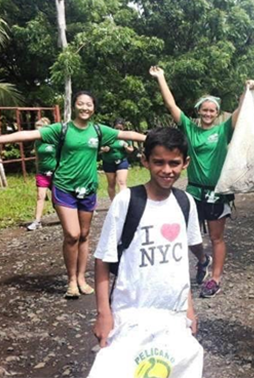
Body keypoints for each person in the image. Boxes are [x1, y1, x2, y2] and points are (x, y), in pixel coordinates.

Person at [0, 91, 145, 298]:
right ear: (75, 105)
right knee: (72, 234)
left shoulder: (99, 130)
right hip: (64, 187)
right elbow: (28, 135)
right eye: (81, 104)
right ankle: (71, 280)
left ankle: (81, 278)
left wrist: (158, 140)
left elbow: (128, 135)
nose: (85, 108)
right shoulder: (62, 129)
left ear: (94, 107)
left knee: (84, 235)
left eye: (89, 105)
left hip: (89, 188)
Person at [89, 127, 203, 377]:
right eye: (158, 162)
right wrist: (103, 314)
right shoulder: (127, 201)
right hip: (130, 313)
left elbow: (181, 261)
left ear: (185, 163)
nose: (166, 170)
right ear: (144, 161)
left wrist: (189, 309)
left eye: (174, 163)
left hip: (173, 314)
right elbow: (103, 260)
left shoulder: (185, 203)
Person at [149, 65, 254, 298]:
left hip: (217, 192)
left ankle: (215, 278)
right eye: (204, 110)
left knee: (216, 237)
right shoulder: (190, 129)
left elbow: (241, 109)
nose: (208, 114)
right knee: (189, 235)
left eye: (212, 110)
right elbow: (171, 106)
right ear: (199, 111)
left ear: (217, 113)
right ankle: (202, 259)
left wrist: (247, 90)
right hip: (194, 192)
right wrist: (161, 77)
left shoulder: (224, 129)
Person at [27, 117, 56, 231]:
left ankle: (70, 216)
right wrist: (37, 169)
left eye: (40, 129)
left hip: (56, 173)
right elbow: (37, 158)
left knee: (58, 198)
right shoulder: (37, 142)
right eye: (36, 129)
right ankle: (37, 221)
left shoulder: (54, 140)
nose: (37, 132)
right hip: (42, 173)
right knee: (40, 196)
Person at [100, 118, 134, 201]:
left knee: (122, 182)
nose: (118, 130)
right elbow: (98, 149)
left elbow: (131, 150)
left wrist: (126, 147)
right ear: (113, 127)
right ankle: (113, 204)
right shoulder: (108, 136)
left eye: (120, 128)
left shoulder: (126, 136)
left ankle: (123, 203)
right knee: (111, 184)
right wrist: (104, 149)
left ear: (123, 127)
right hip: (108, 161)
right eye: (117, 128)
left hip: (121, 161)